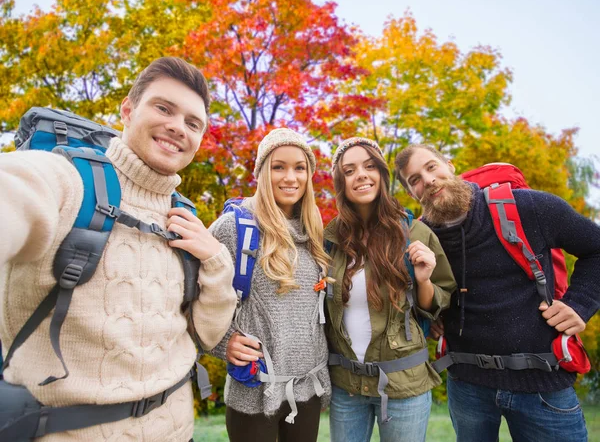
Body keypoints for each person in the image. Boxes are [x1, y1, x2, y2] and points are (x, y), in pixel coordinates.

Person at [0, 57, 238, 441]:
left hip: (178, 431)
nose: (178, 127)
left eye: (193, 123)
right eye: (164, 108)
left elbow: (209, 335)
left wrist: (214, 259)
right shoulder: (66, 179)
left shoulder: (185, 216)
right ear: (127, 110)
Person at [395, 143, 600, 442]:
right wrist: (431, 316)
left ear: (449, 165)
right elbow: (419, 295)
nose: (427, 181)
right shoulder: (421, 238)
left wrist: (580, 305)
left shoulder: (528, 207)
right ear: (412, 193)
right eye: (414, 180)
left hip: (542, 383)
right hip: (467, 386)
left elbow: (595, 248)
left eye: (431, 167)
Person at [325, 137, 456, 442]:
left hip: (403, 385)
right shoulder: (330, 240)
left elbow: (439, 303)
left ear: (382, 176)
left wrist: (423, 280)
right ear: (341, 182)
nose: (361, 174)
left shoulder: (415, 233)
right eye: (350, 170)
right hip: (346, 386)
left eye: (370, 166)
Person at [209, 128, 331, 442]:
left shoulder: (316, 233)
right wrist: (222, 343)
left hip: (307, 391)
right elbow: (193, 299)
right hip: (254, 390)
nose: (290, 177)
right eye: (279, 166)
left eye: (299, 168)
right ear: (263, 172)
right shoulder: (235, 228)